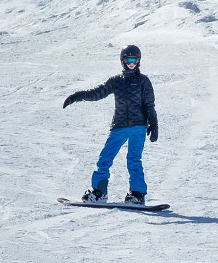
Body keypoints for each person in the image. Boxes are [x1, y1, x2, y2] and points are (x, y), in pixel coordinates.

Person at [62, 45, 158, 205]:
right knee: (105, 158)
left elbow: (149, 104)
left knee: (134, 160)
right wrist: (77, 96)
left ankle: (137, 193)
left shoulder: (143, 81)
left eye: (135, 60)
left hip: (138, 126)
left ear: (139, 61)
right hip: (119, 126)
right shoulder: (116, 81)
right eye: (129, 60)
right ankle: (99, 192)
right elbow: (97, 93)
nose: (132, 63)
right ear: (123, 61)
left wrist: (153, 124)